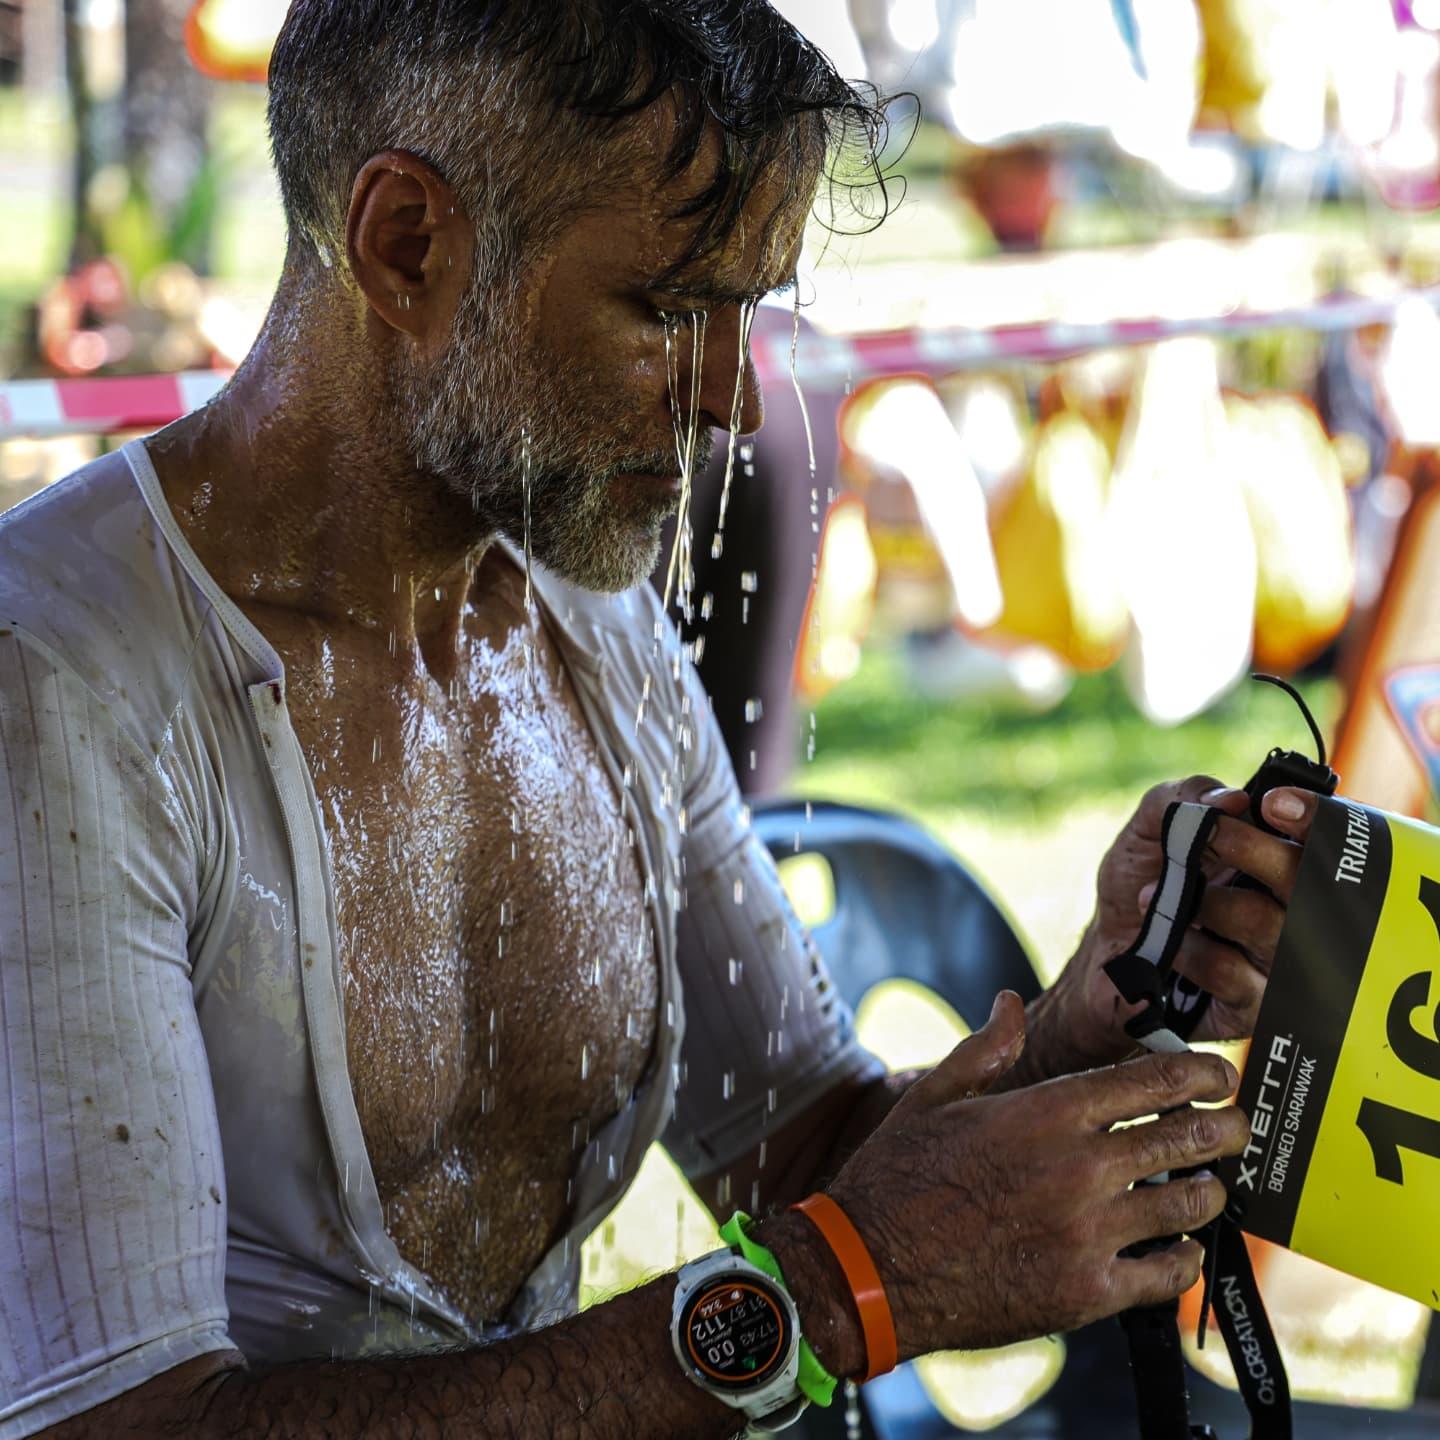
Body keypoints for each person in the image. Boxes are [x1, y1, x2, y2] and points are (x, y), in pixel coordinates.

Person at [0, 4, 1320, 1436]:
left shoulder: (586, 619)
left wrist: (1094, 1015)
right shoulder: (59, 677)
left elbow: (810, 1145)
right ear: (407, 246)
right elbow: (112, 1426)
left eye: (750, 313)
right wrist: (829, 1294)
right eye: (674, 310)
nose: (734, 402)